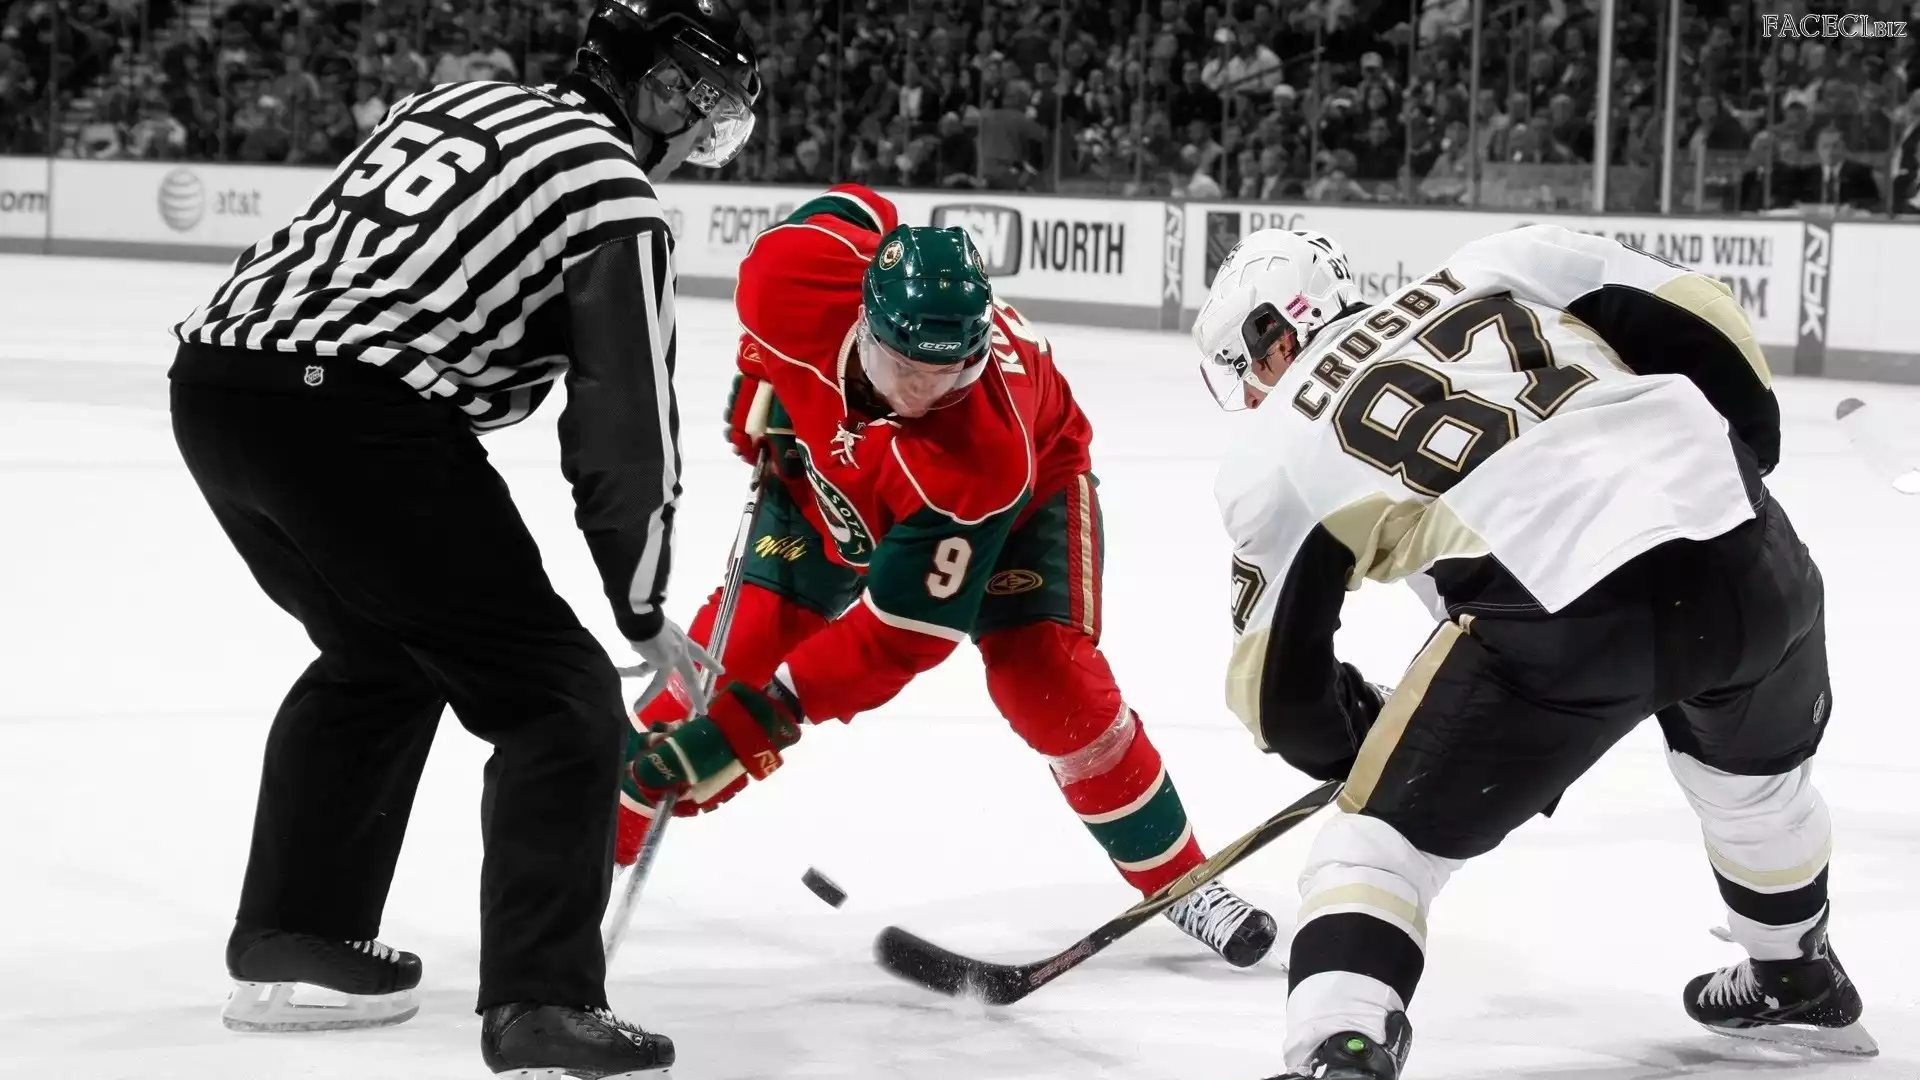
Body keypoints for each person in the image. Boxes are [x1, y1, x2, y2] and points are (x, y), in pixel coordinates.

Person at [165, 1, 759, 1074]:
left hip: (216, 386)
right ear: (664, 90)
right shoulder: (612, 190)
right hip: (356, 418)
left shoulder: (454, 103)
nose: (697, 146)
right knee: (559, 697)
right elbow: (625, 423)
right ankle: (541, 1005)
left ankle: (297, 936)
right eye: (706, 116)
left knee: (379, 656)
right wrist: (638, 605)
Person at [1188, 226, 1872, 1078]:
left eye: (1246, 371)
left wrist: (1358, 743)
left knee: (1373, 849)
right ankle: (1797, 974)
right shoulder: (1498, 261)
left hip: (1566, 612)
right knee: (1754, 787)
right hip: (1750, 551)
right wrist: (1743, 456)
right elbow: (1700, 311)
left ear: (1277, 340)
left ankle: (1341, 1047)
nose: (1254, 396)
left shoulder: (1272, 452)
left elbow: (1279, 700)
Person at [617, 186, 1279, 967]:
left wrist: (759, 723)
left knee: (1045, 682)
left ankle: (1183, 881)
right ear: (866, 319)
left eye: (945, 371)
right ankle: (573, 851)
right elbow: (857, 206)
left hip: (1020, 507)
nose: (919, 392)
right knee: (707, 677)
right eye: (902, 367)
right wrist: (760, 368)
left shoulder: (982, 454)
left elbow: (896, 639)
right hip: (830, 478)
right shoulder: (787, 278)